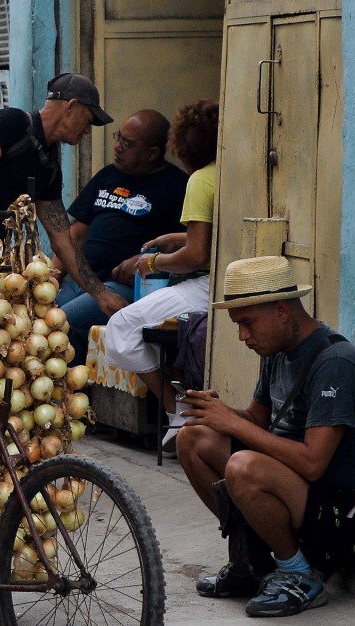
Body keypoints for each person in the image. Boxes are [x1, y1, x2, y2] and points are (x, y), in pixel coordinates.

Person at [176, 255, 355, 618]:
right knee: (193, 438)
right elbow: (256, 419)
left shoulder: (335, 362)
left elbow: (313, 463)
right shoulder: (278, 352)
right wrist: (218, 414)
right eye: (238, 325)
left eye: (248, 323)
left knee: (243, 466)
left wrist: (235, 426)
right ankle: (250, 564)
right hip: (299, 497)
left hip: (341, 521)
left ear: (283, 311)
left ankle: (300, 575)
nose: (242, 336)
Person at [103, 99, 219, 452]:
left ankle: (177, 410)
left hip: (212, 285)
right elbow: (218, 236)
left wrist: (152, 263)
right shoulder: (230, 172)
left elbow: (198, 256)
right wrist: (178, 238)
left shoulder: (200, 180)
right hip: (236, 279)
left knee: (122, 327)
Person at [0, 72, 113, 309]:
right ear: (71, 106)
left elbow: (62, 242)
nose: (88, 130)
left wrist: (101, 295)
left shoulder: (48, 166)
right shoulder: (12, 122)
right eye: (88, 120)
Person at [55, 110, 188, 365]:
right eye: (119, 138)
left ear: (152, 153)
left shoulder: (176, 186)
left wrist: (148, 259)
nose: (117, 146)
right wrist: (51, 277)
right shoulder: (107, 176)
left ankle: (71, 397)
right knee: (40, 319)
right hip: (81, 278)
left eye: (127, 144)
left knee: (63, 324)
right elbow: (75, 235)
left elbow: (189, 243)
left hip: (122, 286)